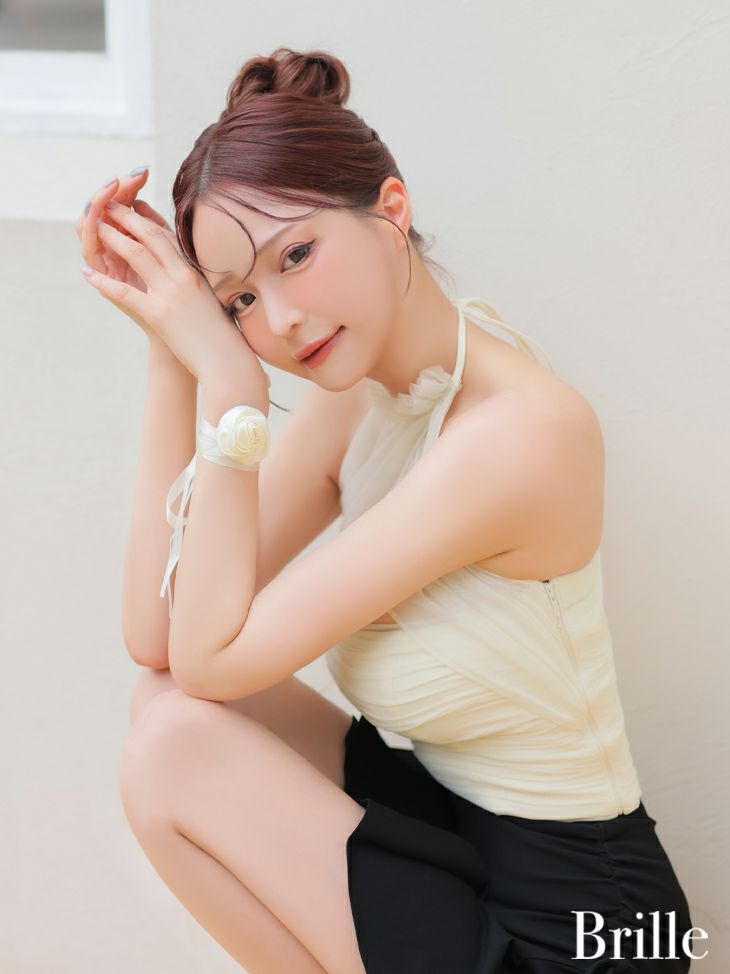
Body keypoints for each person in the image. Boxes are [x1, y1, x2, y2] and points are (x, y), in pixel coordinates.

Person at [76, 46, 696, 974]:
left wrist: (234, 391)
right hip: (459, 837)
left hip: (587, 926)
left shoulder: (516, 437)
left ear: (392, 210)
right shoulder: (363, 402)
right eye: (239, 301)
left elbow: (213, 659)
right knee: (163, 711)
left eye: (297, 255)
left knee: (176, 744)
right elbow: (161, 638)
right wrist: (174, 352)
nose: (279, 320)